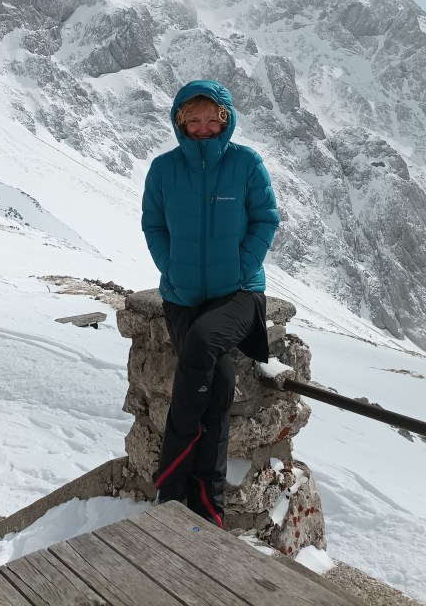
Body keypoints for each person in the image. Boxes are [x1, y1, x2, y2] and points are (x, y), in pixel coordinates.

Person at [141, 79, 279, 527]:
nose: (202, 127)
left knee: (202, 344)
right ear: (180, 122)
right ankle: (206, 504)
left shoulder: (245, 164)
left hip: (238, 294)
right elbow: (153, 225)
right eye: (193, 119)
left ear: (225, 120)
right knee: (218, 383)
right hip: (182, 297)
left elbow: (265, 219)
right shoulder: (163, 170)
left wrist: (241, 268)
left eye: (211, 119)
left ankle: (170, 485)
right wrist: (171, 268)